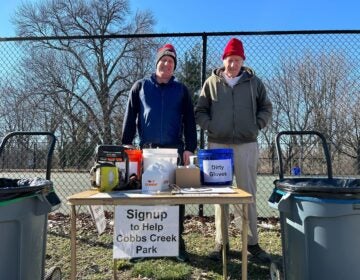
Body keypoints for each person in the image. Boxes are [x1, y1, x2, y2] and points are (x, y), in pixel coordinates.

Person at [195, 38, 273, 263]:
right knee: (220, 194)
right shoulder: (211, 82)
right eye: (230, 60)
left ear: (242, 61)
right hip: (217, 146)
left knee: (247, 194)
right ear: (224, 60)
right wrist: (212, 126)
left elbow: (266, 107)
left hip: (246, 144)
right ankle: (222, 243)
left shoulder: (254, 83)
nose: (233, 65)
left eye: (237, 60)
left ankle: (251, 243)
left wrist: (256, 125)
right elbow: (200, 111)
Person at [121, 43, 197, 262]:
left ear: (174, 67)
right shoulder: (140, 87)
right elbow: (130, 117)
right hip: (148, 151)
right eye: (163, 60)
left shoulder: (181, 90)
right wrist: (127, 145)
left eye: (171, 61)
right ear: (157, 63)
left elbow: (190, 122)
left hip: (175, 151)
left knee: (175, 197)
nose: (167, 64)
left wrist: (190, 147)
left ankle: (176, 244)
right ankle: (144, 244)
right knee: (146, 197)